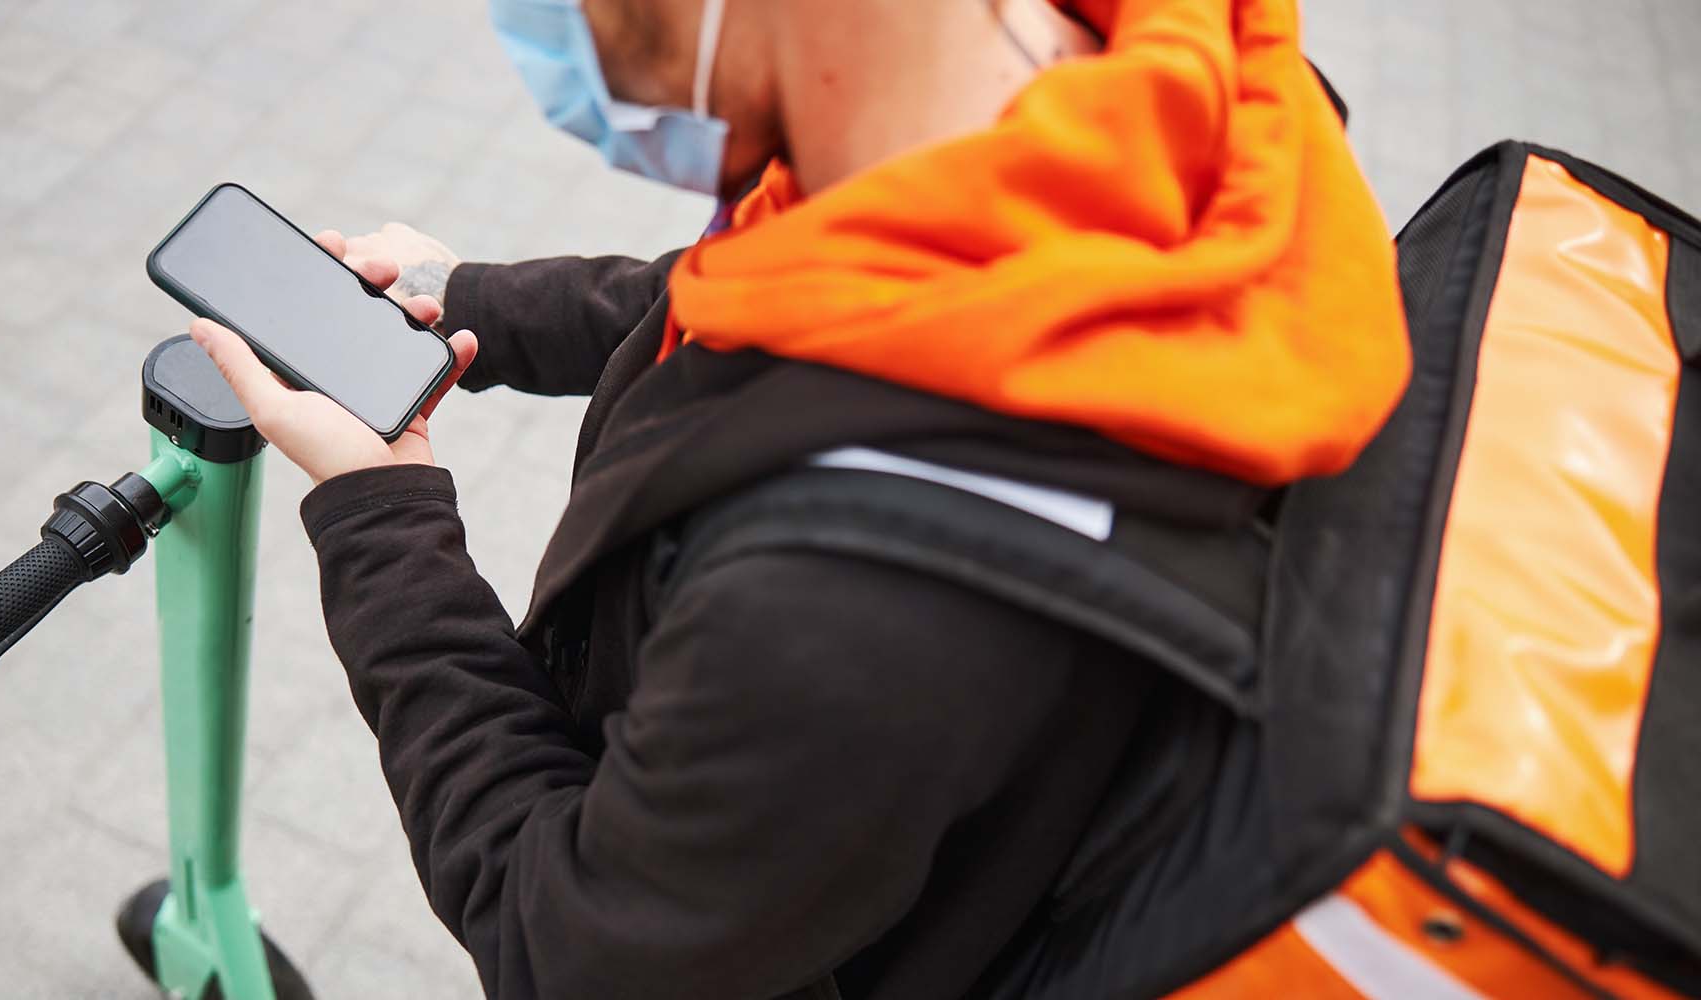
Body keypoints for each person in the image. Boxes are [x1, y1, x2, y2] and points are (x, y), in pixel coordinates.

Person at [187, 0, 1409, 997]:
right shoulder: (1124, 103)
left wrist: (384, 518)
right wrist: (476, 305)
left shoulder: (849, 608)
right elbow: (792, 294)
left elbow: (567, 952)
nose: (544, 30)